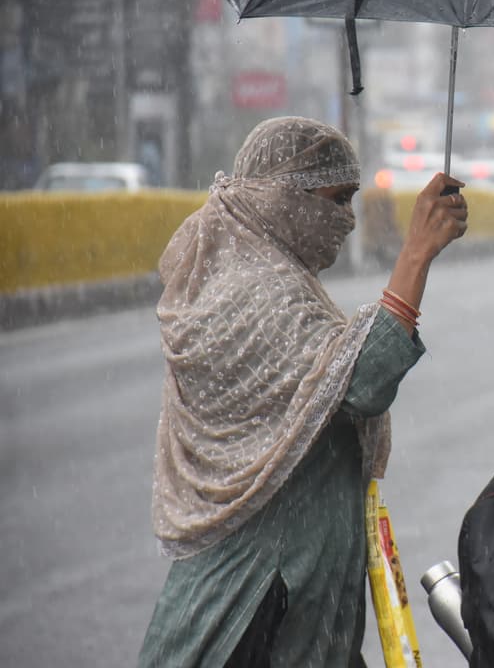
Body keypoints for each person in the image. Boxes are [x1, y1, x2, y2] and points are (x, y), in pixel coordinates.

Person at [137, 116, 468, 667]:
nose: (347, 220)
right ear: (282, 197)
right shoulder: (247, 290)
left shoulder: (282, 277)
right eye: (336, 199)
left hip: (300, 608)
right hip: (253, 607)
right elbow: (361, 382)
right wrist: (415, 255)